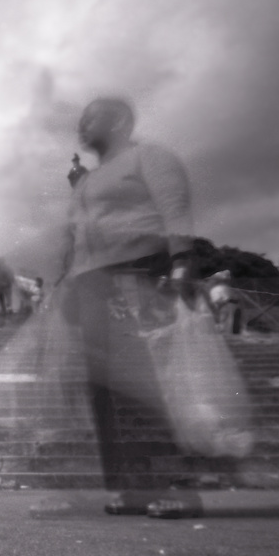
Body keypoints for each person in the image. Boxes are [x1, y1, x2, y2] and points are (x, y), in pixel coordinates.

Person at [57, 96, 205, 519]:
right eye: (81, 120)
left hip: (140, 274)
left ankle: (178, 484)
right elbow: (79, 236)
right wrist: (69, 287)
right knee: (107, 391)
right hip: (92, 286)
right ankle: (130, 486)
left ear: (119, 120)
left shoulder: (148, 158)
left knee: (151, 381)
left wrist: (181, 262)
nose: (82, 125)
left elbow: (174, 210)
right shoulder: (86, 181)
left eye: (91, 118)